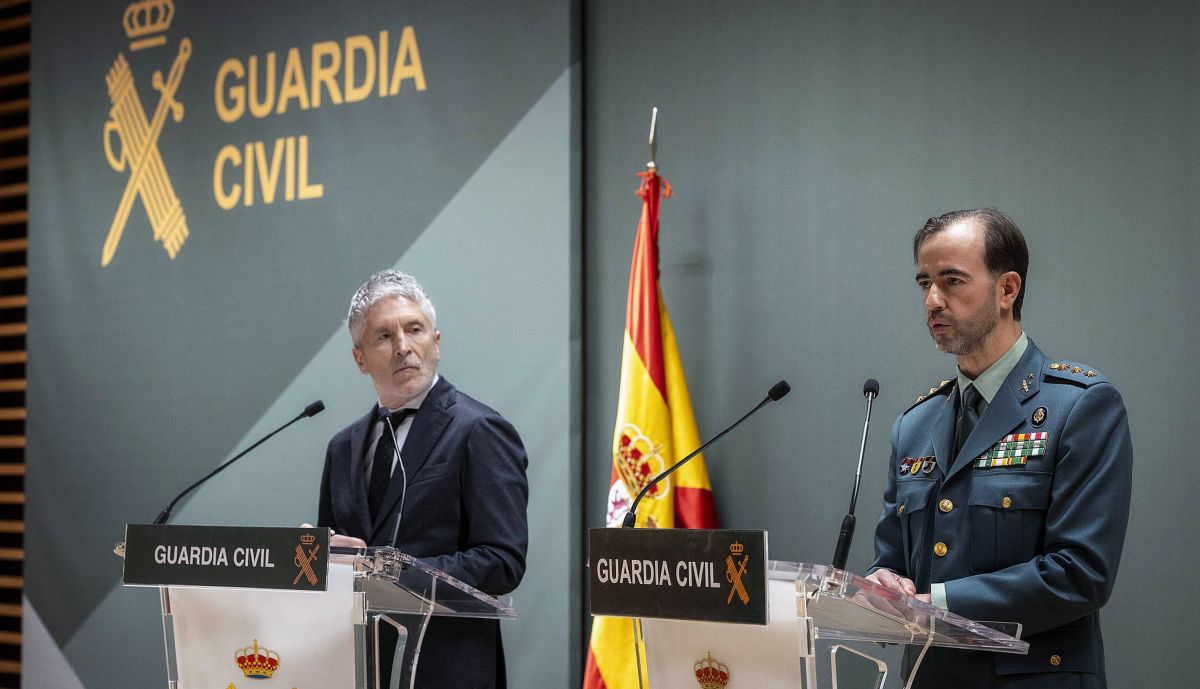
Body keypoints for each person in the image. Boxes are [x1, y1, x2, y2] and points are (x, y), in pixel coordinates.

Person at [866, 209, 1132, 688]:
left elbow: (1081, 573)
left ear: (1007, 289)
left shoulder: (1080, 407)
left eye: (951, 281)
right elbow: (894, 560)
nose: (932, 301)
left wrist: (937, 605)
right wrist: (884, 585)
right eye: (924, 282)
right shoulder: (914, 424)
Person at [318, 269, 529, 689]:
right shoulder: (342, 448)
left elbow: (502, 561)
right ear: (360, 359)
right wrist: (315, 557)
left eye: (414, 329)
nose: (402, 347)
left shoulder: (479, 430)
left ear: (436, 342)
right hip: (357, 668)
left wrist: (387, 572)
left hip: (447, 669)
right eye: (383, 336)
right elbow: (338, 557)